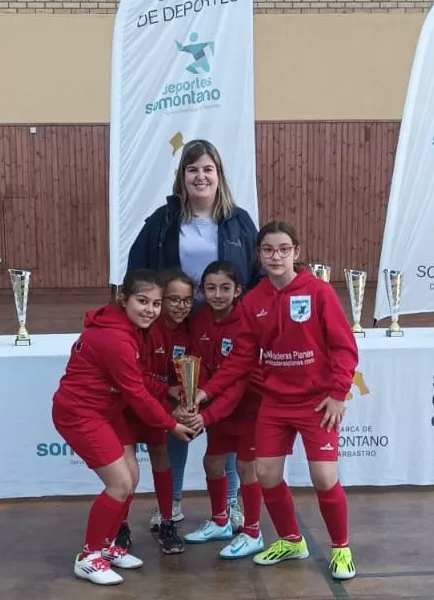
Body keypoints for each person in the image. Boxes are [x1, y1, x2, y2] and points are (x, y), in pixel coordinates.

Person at [195, 221, 358, 580]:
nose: (276, 256)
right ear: (259, 255)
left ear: (296, 252)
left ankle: (341, 548)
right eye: (268, 250)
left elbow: (344, 347)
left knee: (324, 476)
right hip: (275, 402)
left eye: (283, 249)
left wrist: (336, 394)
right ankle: (290, 540)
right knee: (266, 473)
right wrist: (206, 391)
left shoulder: (319, 292)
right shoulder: (254, 301)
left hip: (316, 402)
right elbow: (241, 358)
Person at [126, 138, 259, 533]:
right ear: (182, 177)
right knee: (179, 409)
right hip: (177, 330)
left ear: (219, 176)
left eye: (208, 169)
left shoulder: (239, 222)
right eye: (192, 169)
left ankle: (231, 502)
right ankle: (175, 500)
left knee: (227, 414)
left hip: (225, 332)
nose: (200, 176)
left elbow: (253, 279)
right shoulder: (163, 222)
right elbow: (138, 273)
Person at [51, 269, 198, 586]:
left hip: (107, 409)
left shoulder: (132, 329)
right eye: (142, 301)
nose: (150, 310)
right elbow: (136, 394)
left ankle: (108, 546)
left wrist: (166, 391)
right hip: (80, 412)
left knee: (131, 477)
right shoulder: (115, 337)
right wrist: (172, 424)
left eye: (156, 304)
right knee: (119, 483)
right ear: (124, 299)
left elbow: (140, 377)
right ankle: (89, 556)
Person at [176, 261, 267, 560]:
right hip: (217, 404)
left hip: (250, 406)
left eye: (225, 288)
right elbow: (196, 363)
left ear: (238, 290)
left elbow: (238, 379)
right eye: (211, 288)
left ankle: (253, 531)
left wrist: (205, 413)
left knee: (246, 467)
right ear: (202, 290)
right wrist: (193, 399)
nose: (217, 294)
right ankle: (220, 522)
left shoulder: (247, 322)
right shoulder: (199, 319)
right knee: (213, 463)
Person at [122, 269, 194, 556]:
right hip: (131, 405)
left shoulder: (190, 330)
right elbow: (138, 377)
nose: (179, 306)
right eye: (172, 299)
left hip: (158, 405)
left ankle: (167, 521)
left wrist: (183, 392)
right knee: (126, 472)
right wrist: (167, 390)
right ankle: (121, 526)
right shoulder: (146, 327)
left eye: (186, 300)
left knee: (161, 458)